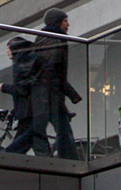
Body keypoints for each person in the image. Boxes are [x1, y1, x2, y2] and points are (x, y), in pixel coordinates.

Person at [31, 8, 83, 159]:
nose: (68, 24)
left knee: (43, 129)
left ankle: (53, 157)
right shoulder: (55, 41)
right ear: (57, 22)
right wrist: (70, 93)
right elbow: (55, 72)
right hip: (51, 94)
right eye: (65, 21)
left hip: (43, 94)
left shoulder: (42, 39)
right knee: (63, 129)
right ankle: (68, 160)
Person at [0, 37, 49, 155]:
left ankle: (5, 160)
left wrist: (3, 87)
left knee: (22, 144)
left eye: (9, 49)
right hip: (31, 112)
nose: (7, 51)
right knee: (37, 144)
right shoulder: (27, 62)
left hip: (30, 113)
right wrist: (13, 112)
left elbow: (23, 90)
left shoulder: (22, 64)